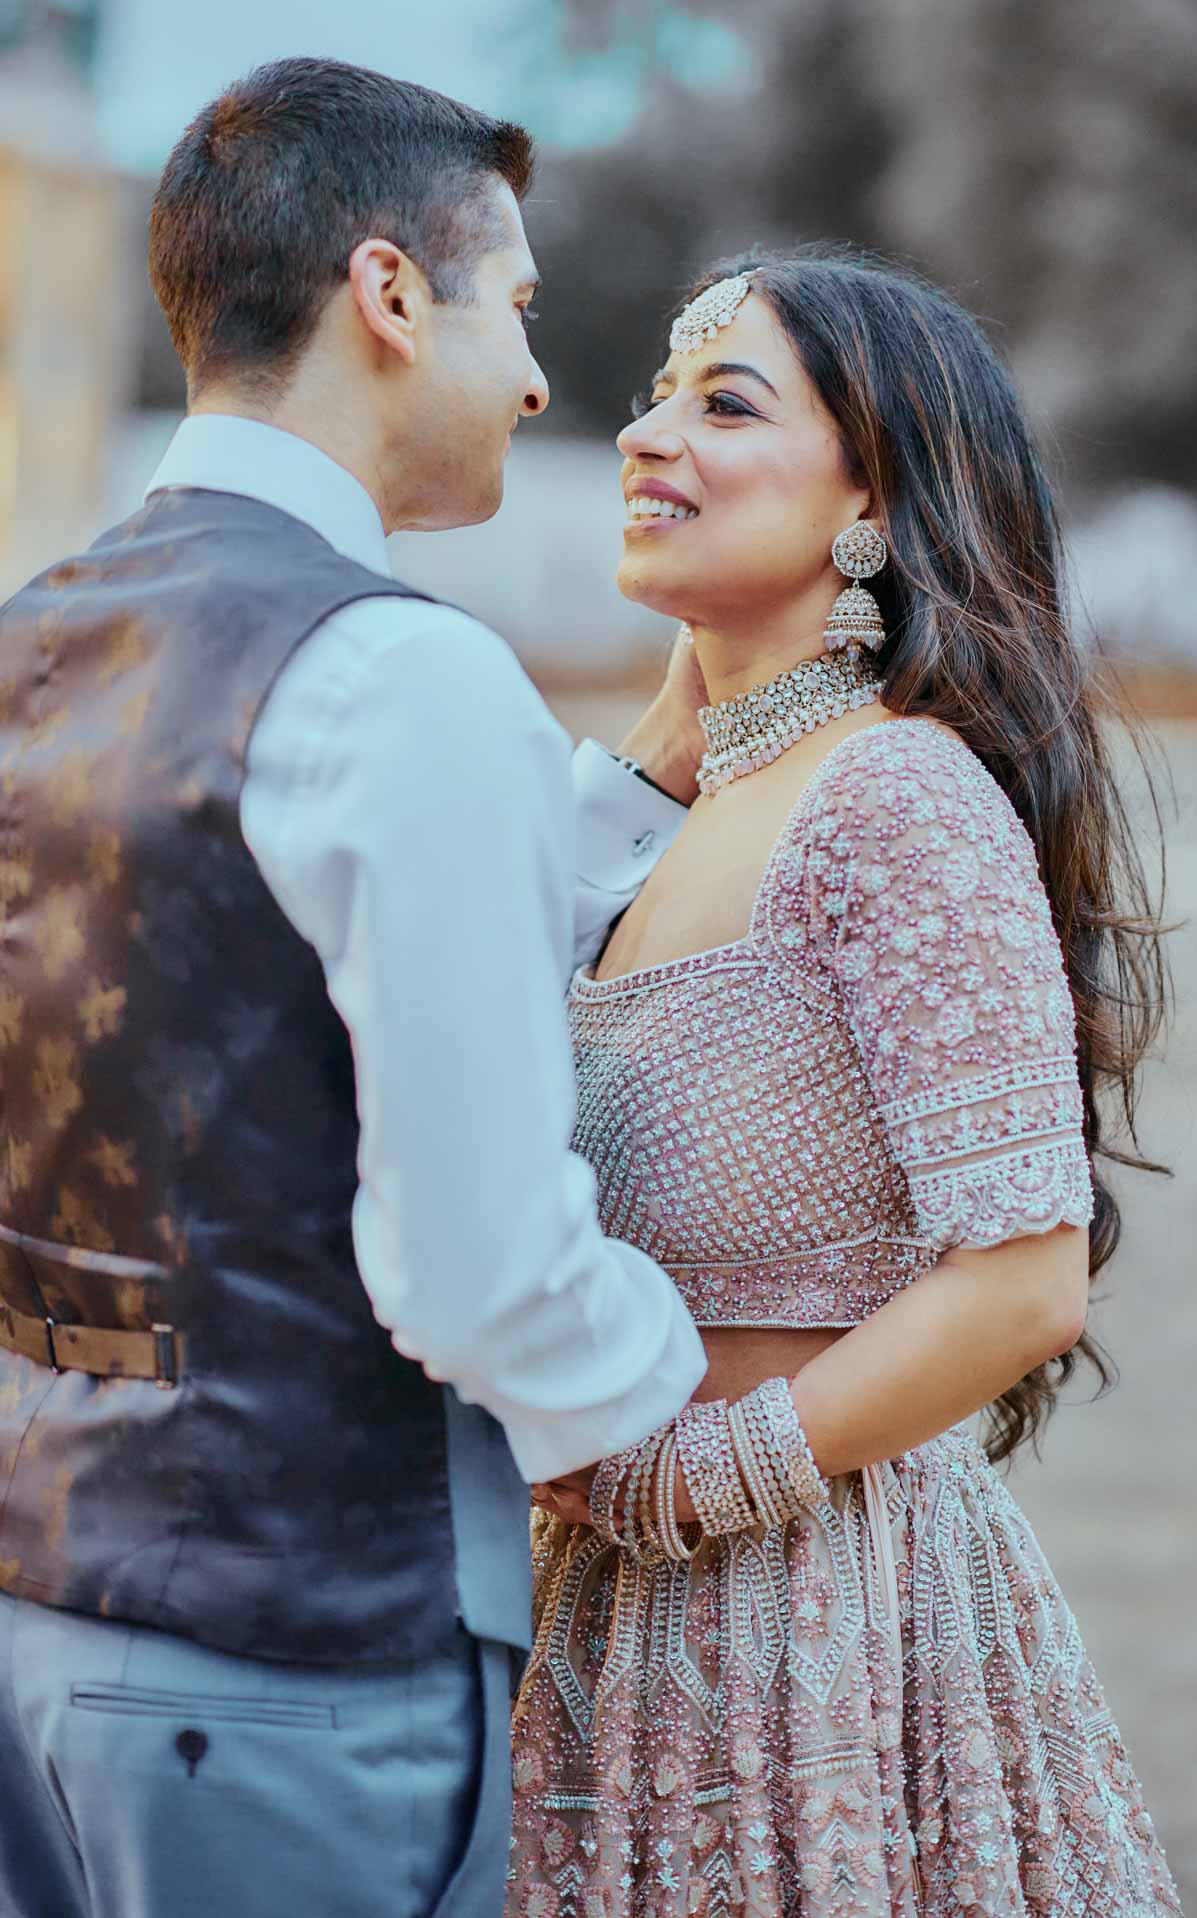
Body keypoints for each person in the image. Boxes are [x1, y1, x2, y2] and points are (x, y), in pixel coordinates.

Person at [0, 57, 712, 1918]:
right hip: (296, 1663)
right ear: (394, 295)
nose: (546, 383)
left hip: (35, 1613)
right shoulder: (401, 671)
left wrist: (643, 785)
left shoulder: (34, 641)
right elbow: (479, 1276)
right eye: (524, 308)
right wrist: (682, 1391)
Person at [510, 255, 1183, 1915]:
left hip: (807, 1621)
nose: (646, 435)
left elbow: (1021, 1278)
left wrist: (698, 1480)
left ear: (871, 496)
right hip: (605, 1601)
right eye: (658, 394)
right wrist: (678, 747)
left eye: (723, 403)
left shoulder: (894, 794)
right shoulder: (693, 809)